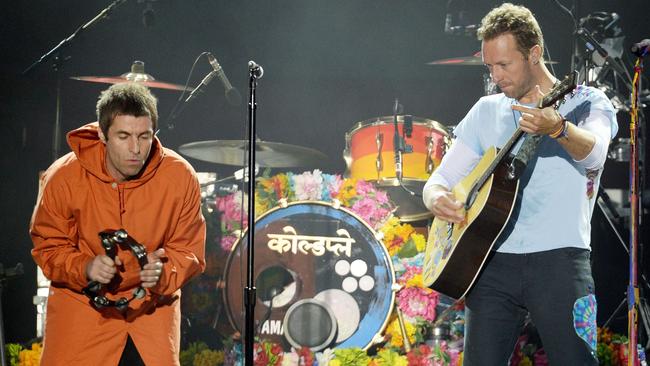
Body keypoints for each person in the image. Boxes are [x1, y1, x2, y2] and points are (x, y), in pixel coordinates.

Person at [423, 3, 617, 365]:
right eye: (490, 66)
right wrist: (436, 198)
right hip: (491, 264)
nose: (496, 76)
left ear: (534, 54)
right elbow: (440, 180)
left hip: (561, 261)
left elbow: (595, 155)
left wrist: (558, 128)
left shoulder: (588, 102)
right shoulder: (486, 110)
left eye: (504, 65)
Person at [30, 82, 206, 365]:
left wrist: (165, 273)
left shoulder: (180, 176)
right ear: (102, 133)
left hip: (150, 318)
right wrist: (84, 267)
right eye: (124, 136)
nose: (136, 148)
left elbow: (189, 250)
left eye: (144, 136)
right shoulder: (63, 177)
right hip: (83, 318)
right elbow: (47, 246)